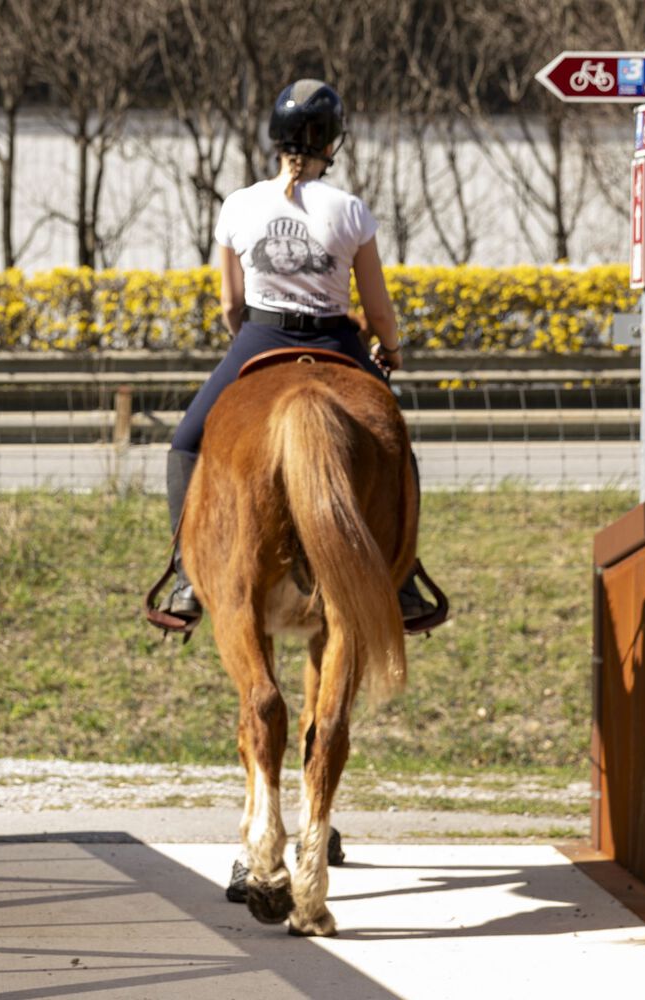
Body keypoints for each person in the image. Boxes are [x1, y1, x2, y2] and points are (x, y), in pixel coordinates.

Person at [158, 78, 446, 633]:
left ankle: (185, 578)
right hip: (336, 341)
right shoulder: (350, 210)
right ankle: (404, 580)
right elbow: (379, 311)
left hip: (260, 338)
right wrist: (390, 349)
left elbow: (230, 303)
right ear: (333, 143)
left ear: (276, 137)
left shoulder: (240, 205)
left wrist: (246, 337)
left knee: (186, 442)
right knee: (395, 448)